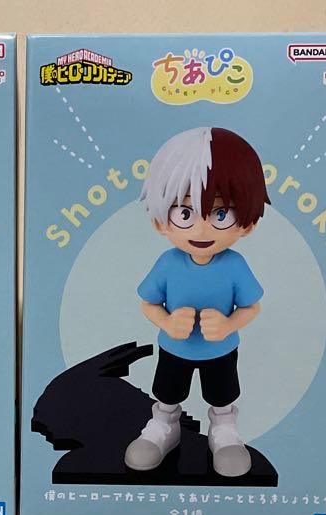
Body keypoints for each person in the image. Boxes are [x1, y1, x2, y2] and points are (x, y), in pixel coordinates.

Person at [127, 127, 268, 477]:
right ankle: (164, 424)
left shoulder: (235, 266)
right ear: (160, 221)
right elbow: (147, 303)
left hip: (220, 351)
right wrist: (167, 322)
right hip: (174, 348)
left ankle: (224, 429)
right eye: (185, 213)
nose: (201, 230)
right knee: (167, 391)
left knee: (222, 394)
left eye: (221, 214)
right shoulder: (167, 264)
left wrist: (229, 325)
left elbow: (252, 306)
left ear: (247, 223)